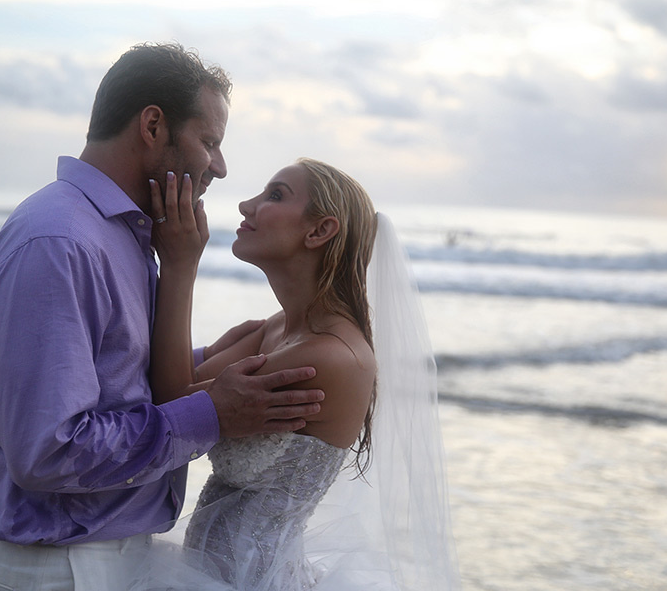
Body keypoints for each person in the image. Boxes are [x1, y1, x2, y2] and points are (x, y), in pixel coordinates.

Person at [0, 42, 325, 591]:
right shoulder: (58, 243)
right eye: (209, 142)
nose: (221, 168)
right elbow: (50, 450)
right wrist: (212, 414)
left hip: (103, 561)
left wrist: (210, 360)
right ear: (153, 126)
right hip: (60, 571)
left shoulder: (124, 235)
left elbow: (109, 375)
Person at [136, 158, 460, 590]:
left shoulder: (329, 357)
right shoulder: (270, 330)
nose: (246, 206)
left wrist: (179, 266)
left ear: (319, 231)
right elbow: (157, 386)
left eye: (274, 195)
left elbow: (169, 402)